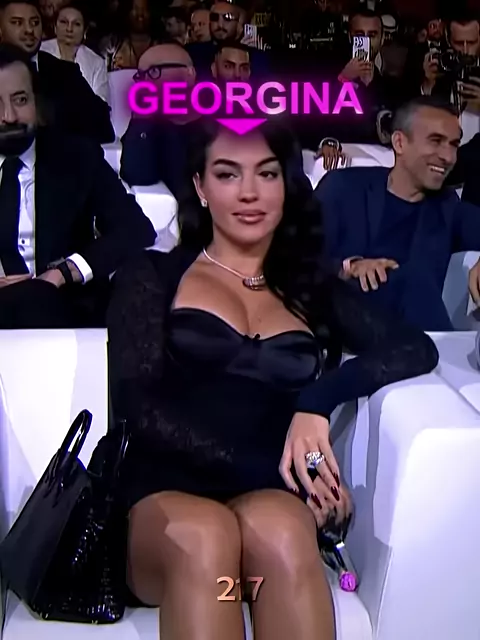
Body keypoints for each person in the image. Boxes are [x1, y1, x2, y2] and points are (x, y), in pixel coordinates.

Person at [107, 119, 438, 640]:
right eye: (227, 174)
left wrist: (316, 401)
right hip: (163, 491)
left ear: (286, 184)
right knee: (207, 537)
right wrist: (292, 476)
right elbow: (138, 408)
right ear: (199, 186)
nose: (249, 192)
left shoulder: (309, 288)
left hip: (264, 499)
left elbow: (414, 347)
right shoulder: (152, 276)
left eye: (266, 173)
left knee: (284, 533)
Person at [0, 43, 156, 329]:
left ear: (37, 103)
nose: (8, 116)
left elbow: (135, 228)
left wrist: (65, 271)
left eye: (20, 100)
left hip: (63, 311)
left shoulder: (77, 156)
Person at [314, 95, 480, 331]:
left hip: (415, 336)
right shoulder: (342, 187)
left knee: (414, 282)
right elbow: (292, 255)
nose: (448, 157)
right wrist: (348, 266)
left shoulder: (448, 207)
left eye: (454, 144)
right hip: (338, 328)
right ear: (399, 142)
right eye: (436, 141)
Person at [0, 0, 114, 143]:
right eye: (17, 23)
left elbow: (104, 129)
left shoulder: (66, 72)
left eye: (35, 22)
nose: (29, 30)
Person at [120, 42, 199, 198]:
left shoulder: (220, 123)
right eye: (141, 75)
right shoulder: (148, 125)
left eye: (154, 71)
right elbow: (137, 176)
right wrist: (142, 119)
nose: (145, 82)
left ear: (189, 73)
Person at [41, 2, 110, 103]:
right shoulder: (40, 51)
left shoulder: (96, 62)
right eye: (64, 22)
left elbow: (102, 102)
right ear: (55, 27)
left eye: (76, 24)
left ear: (85, 31)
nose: (69, 29)